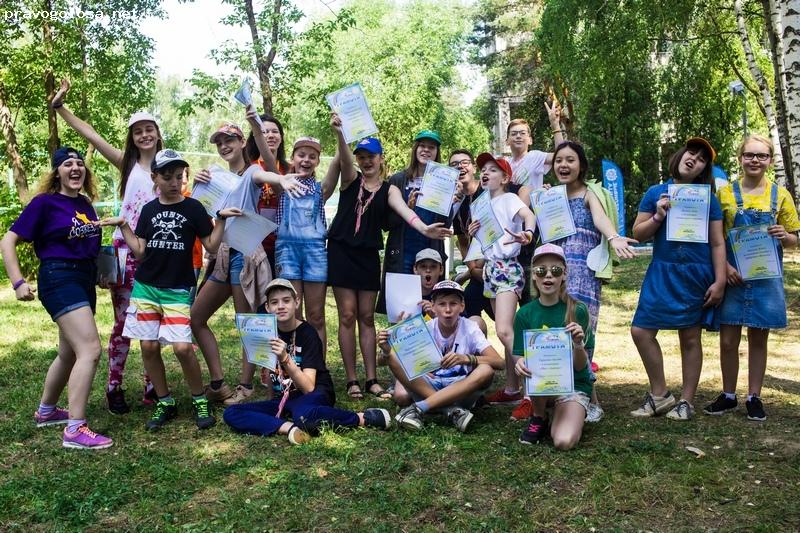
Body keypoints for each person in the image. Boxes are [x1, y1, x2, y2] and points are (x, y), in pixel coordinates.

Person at [100, 149, 242, 431]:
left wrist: (221, 219)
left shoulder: (194, 208)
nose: (175, 182)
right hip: (146, 288)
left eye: (179, 176)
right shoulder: (149, 210)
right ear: (154, 178)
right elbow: (140, 252)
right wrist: (125, 226)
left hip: (178, 289)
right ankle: (165, 401)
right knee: (149, 346)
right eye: (167, 177)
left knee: (182, 348)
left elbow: (211, 246)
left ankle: (199, 398)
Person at [50, 78, 162, 413]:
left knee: (152, 322)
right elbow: (92, 136)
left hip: (156, 254)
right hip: (126, 255)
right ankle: (114, 386)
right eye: (137, 131)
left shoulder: (169, 166)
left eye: (148, 129)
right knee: (125, 322)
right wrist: (61, 108)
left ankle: (152, 386)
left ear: (157, 133)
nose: (143, 135)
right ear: (132, 137)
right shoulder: (127, 165)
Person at [325, 115, 452, 400]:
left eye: (371, 156)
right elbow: (344, 159)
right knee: (347, 315)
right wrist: (340, 134)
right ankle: (352, 379)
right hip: (342, 252)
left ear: (382, 158)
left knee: (367, 316)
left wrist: (424, 227)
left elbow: (407, 214)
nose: (366, 161)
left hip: (368, 256)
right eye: (362, 156)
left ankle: (372, 378)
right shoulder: (350, 179)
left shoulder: (390, 188)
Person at [511, 141, 637, 423]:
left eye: (570, 160)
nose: (563, 165)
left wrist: (614, 237)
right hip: (551, 272)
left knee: (580, 332)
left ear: (581, 165)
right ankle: (550, 391)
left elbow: (600, 218)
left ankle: (591, 400)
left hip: (582, 271)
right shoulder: (548, 196)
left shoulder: (590, 193)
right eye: (558, 161)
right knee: (549, 328)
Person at [1, 147, 112, 449]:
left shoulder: (87, 205)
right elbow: (8, 240)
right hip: (59, 276)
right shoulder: (45, 203)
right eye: (67, 164)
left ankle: (47, 411)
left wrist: (103, 273)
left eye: (80, 164)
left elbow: (90, 244)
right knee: (89, 348)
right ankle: (75, 429)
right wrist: (18, 282)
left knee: (70, 353)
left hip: (84, 278)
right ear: (57, 173)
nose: (76, 168)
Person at [223, 279, 392, 444]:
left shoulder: (308, 334)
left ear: (296, 302)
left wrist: (285, 358)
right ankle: (289, 428)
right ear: (267, 307)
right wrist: (272, 402)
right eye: (274, 302)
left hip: (312, 394)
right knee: (231, 413)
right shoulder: (267, 332)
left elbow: (309, 387)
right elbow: (270, 371)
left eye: (286, 300)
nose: (280, 306)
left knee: (306, 417)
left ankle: (362, 418)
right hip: (284, 398)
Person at [704, 134, 799, 421]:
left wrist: (787, 236)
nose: (755, 160)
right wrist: (725, 269)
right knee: (728, 340)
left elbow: (794, 237)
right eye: (749, 155)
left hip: (766, 278)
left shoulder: (780, 195)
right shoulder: (725, 194)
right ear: (740, 159)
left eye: (761, 156)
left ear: (770, 161)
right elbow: (716, 237)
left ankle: (753, 396)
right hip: (733, 276)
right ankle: (728, 394)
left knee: (759, 339)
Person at [630, 137, 726, 421]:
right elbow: (638, 234)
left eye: (701, 159)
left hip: (696, 273)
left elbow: (718, 243)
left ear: (703, 170)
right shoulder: (656, 192)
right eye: (690, 152)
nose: (693, 159)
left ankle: (686, 401)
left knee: (691, 338)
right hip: (662, 271)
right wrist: (658, 215)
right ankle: (660, 395)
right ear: (680, 155)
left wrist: (720, 281)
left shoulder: (708, 198)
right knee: (641, 331)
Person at [190, 122, 274, 406]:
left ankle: (246, 386)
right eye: (219, 143)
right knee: (196, 317)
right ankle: (217, 382)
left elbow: (267, 172)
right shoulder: (216, 178)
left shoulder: (251, 172)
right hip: (222, 255)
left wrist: (282, 180)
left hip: (245, 252)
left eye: (230, 141)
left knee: (247, 323)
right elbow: (198, 211)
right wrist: (196, 185)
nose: (224, 146)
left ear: (241, 142)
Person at [379, 281, 504, 432]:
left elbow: (499, 362)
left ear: (462, 306)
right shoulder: (424, 327)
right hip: (429, 384)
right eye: (442, 304)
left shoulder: (470, 328)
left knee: (486, 370)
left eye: (453, 303)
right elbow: (389, 362)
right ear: (433, 307)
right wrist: (387, 349)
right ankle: (451, 410)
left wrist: (466, 358)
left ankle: (420, 407)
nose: (448, 310)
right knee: (394, 358)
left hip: (459, 387)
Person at [466, 153, 536, 413]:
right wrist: (475, 234)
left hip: (507, 268)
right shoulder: (481, 204)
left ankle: (534, 390)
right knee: (503, 329)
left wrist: (528, 233)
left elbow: (529, 216)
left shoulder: (509, 198)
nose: (485, 173)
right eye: (483, 169)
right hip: (491, 270)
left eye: (493, 170)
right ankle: (512, 389)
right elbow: (483, 243)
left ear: (505, 178)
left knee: (506, 332)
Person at [513, 244, 593, 449]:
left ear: (564, 275)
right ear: (533, 276)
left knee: (563, 441)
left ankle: (565, 410)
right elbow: (519, 355)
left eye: (555, 270)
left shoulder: (578, 310)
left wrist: (577, 344)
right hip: (542, 388)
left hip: (574, 386)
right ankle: (539, 416)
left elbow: (581, 368)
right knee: (531, 364)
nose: (548, 276)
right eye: (541, 270)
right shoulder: (524, 314)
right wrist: (519, 363)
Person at [377, 130, 454, 312]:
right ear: (415, 149)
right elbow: (387, 224)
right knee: (402, 309)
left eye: (431, 147)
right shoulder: (398, 179)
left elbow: (445, 224)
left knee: (432, 307)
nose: (426, 150)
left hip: (431, 251)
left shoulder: (444, 180)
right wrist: (408, 208)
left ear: (437, 152)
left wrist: (451, 200)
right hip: (403, 252)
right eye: (422, 146)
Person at [449, 150, 494, 325]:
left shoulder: (489, 191)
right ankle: (478, 348)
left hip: (496, 265)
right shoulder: (455, 201)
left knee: (504, 321)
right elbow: (462, 240)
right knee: (467, 305)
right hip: (476, 269)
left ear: (474, 167)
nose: (460, 167)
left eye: (465, 162)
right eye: (454, 165)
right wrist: (473, 270)